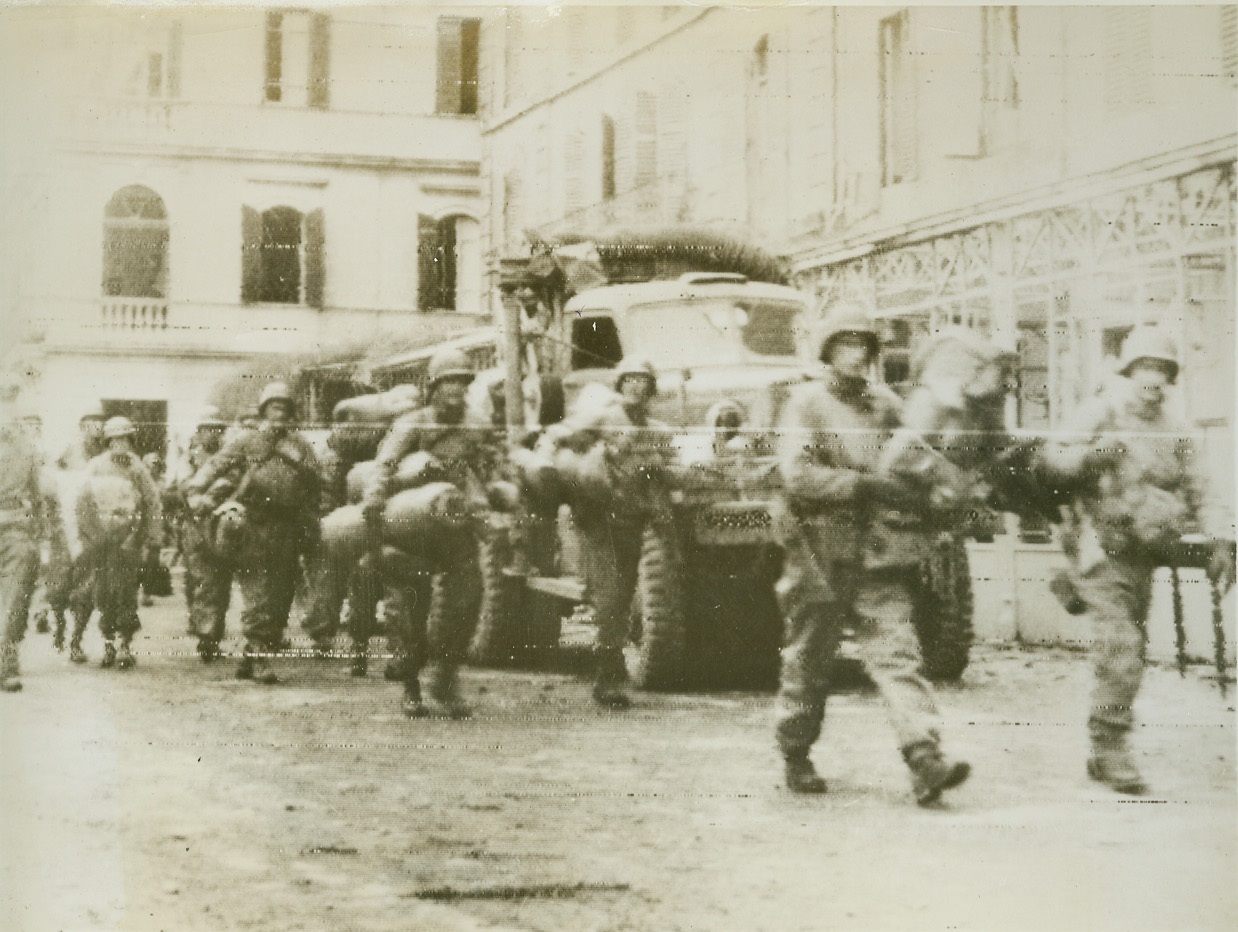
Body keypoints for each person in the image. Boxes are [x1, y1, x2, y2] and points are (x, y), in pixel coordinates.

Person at [771, 304, 970, 804]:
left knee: (898, 656)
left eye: (862, 345)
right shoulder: (806, 405)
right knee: (809, 662)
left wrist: (936, 481)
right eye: (844, 345)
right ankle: (795, 751)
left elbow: (911, 455)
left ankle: (924, 757)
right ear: (828, 352)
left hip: (877, 554)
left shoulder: (884, 404)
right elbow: (797, 475)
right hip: (819, 554)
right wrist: (862, 484)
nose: (855, 355)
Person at [1041, 326, 1234, 795]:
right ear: (1128, 371)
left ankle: (1071, 587)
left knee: (1133, 647)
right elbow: (1052, 458)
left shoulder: (1177, 429)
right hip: (1097, 544)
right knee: (1121, 649)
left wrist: (1221, 539)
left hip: (1142, 553)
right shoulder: (1101, 411)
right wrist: (1091, 456)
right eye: (1145, 368)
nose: (1154, 378)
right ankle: (1109, 748)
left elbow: (1203, 489)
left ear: (1170, 378)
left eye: (1162, 370)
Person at [360, 349, 493, 718]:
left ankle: (445, 680)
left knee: (467, 601)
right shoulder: (412, 424)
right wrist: (373, 501)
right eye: (449, 382)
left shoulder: (476, 425)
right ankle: (411, 685)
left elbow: (491, 466)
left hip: (455, 527)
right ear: (434, 387)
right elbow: (384, 466)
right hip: (411, 528)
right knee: (407, 609)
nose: (456, 390)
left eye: (462, 383)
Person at [545, 357, 677, 709]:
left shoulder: (658, 430)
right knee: (611, 597)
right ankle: (607, 677)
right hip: (600, 520)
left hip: (632, 523)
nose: (636, 386)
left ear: (651, 388)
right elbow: (564, 441)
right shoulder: (604, 417)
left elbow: (669, 471)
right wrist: (586, 471)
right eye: (630, 380)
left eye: (643, 381)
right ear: (619, 385)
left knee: (621, 594)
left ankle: (610, 669)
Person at [186, 383, 320, 683]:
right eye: (274, 407)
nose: (280, 414)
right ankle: (259, 654)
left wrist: (314, 515)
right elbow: (217, 466)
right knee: (258, 591)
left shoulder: (300, 445)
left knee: (281, 596)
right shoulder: (246, 441)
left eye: (285, 409)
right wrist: (196, 491)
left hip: (288, 527)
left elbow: (316, 480)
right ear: (263, 411)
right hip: (253, 525)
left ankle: (251, 655)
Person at [75, 416, 162, 670]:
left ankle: (125, 643)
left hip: (129, 540)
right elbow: (81, 501)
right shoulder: (95, 467)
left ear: (131, 441)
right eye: (114, 440)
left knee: (126, 591)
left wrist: (152, 538)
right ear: (107, 442)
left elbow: (152, 503)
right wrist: (88, 535)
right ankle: (108, 642)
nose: (120, 445)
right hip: (101, 541)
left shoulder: (138, 469)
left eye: (124, 439)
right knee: (102, 592)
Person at [167, 421, 230, 660]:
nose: (214, 433)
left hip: (220, 523)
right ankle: (206, 636)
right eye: (209, 429)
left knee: (220, 581)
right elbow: (180, 487)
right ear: (200, 431)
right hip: (194, 524)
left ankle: (210, 633)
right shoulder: (189, 458)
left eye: (218, 429)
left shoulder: (228, 455)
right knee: (203, 579)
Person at [0, 378, 46, 692]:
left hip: (15, 522)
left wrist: (39, 531)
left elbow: (37, 492)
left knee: (16, 593)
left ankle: (6, 657)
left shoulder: (26, 447)